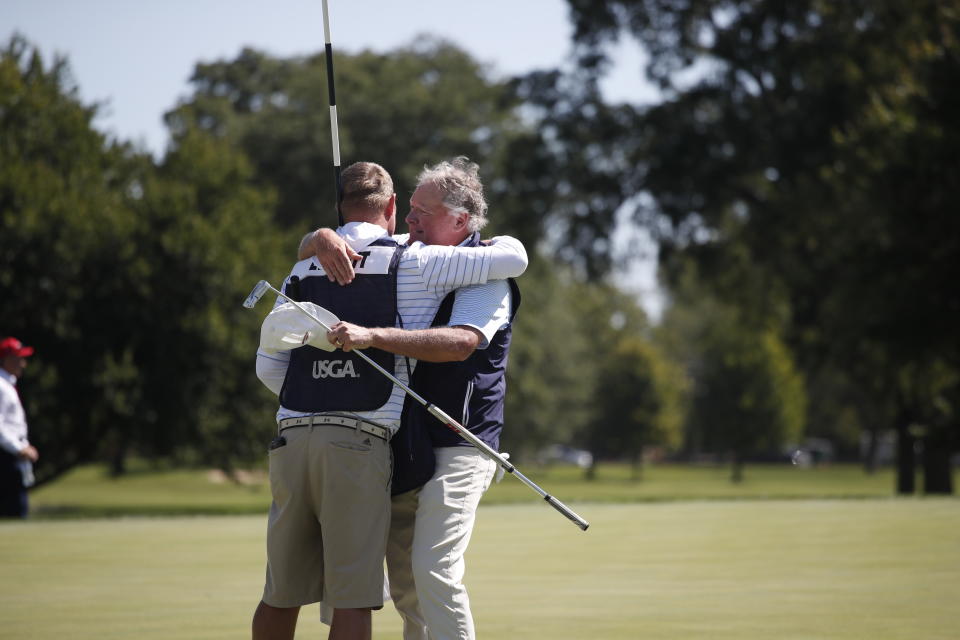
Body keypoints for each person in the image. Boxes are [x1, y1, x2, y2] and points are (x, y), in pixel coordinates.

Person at [252, 159, 527, 640]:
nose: (415, 222)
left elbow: (464, 338)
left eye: (426, 212)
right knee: (401, 581)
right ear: (394, 207)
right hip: (401, 442)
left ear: (461, 220)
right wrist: (319, 235)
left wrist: (364, 343)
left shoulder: (470, 268)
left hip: (458, 440)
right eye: (412, 210)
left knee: (429, 569)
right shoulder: (408, 255)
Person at [0, 336, 39, 519]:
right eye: (19, 359)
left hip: (12, 456)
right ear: (7, 359)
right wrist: (20, 448)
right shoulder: (0, 386)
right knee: (14, 512)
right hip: (6, 457)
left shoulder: (7, 385)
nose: (23, 364)